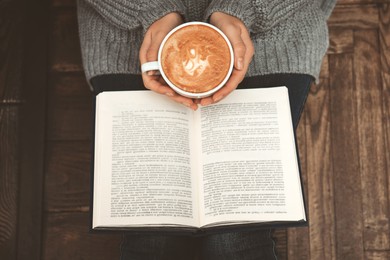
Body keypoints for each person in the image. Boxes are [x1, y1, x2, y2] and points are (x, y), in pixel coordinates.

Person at [77, 0, 336, 259]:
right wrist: (149, 7)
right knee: (153, 233)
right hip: (128, 40)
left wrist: (243, 7)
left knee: (236, 235)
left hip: (271, 38)